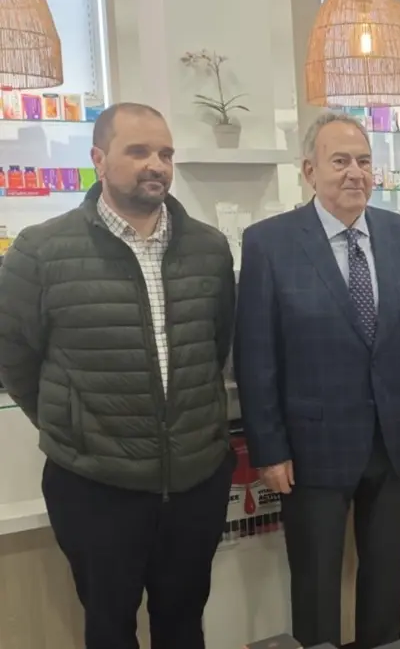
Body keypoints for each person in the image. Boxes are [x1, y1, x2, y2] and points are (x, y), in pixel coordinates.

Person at [0, 103, 236, 649]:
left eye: (166, 153)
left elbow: (216, 344)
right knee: (109, 628)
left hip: (194, 480)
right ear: (99, 160)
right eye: (138, 151)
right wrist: (72, 422)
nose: (156, 164)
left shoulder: (208, 248)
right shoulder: (42, 250)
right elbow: (14, 356)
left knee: (184, 623)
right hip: (95, 484)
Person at [233, 111, 400, 648]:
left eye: (364, 161)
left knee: (386, 579)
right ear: (310, 170)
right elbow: (256, 356)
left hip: (390, 440)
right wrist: (269, 449)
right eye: (340, 161)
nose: (355, 173)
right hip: (311, 449)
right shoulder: (270, 243)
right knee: (317, 584)